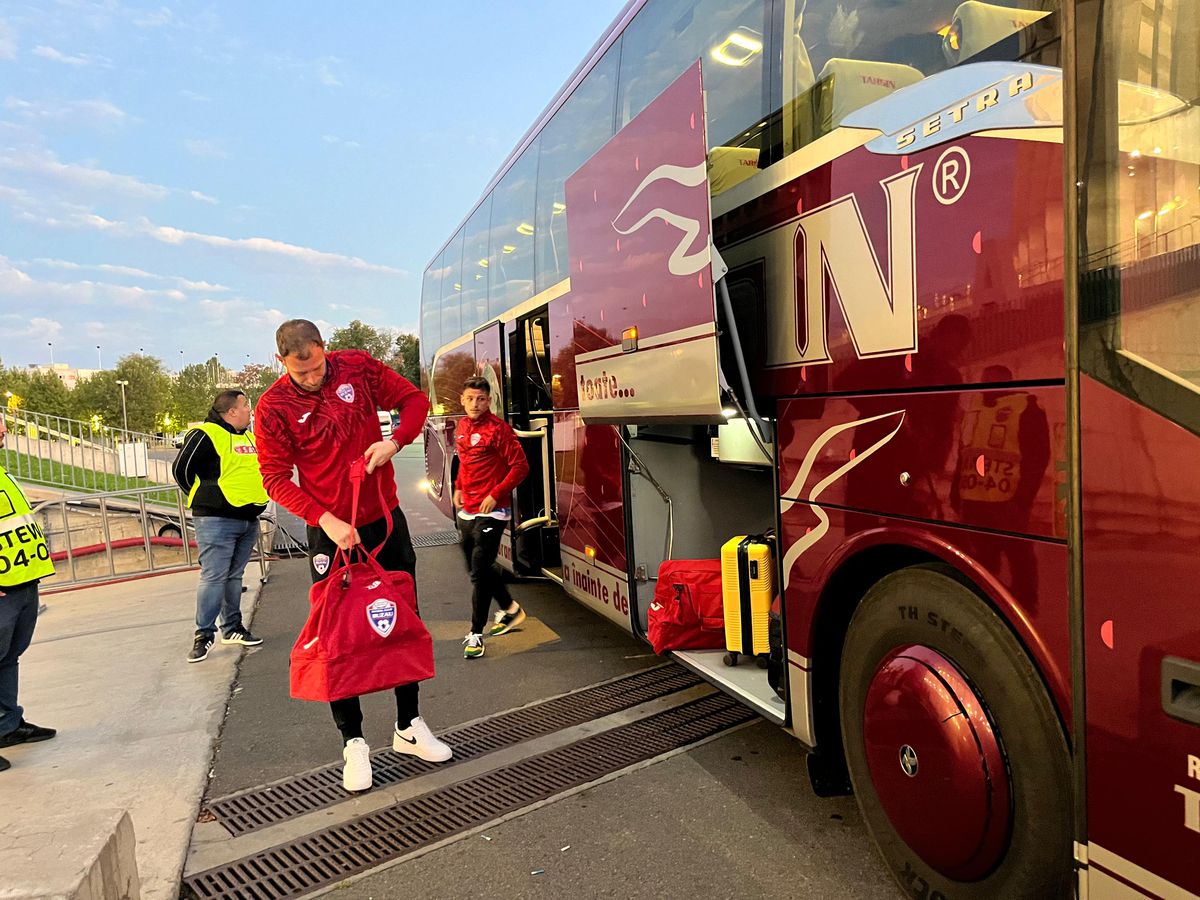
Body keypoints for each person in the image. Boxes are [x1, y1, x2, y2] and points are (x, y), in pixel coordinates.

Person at [254, 319, 451, 792]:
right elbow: (275, 478)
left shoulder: (357, 367)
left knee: (402, 619)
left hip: (384, 518)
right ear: (281, 362)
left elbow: (414, 401)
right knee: (337, 634)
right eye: (299, 372)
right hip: (330, 531)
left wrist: (394, 441)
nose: (311, 378)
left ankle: (408, 725)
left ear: (323, 348)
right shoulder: (273, 408)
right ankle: (353, 742)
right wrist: (324, 520)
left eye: (316, 367)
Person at [172, 390, 268, 662]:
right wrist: (208, 497)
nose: (250, 410)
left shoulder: (248, 437)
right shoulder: (206, 434)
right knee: (214, 576)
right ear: (231, 411)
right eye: (245, 405)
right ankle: (203, 634)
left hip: (247, 517)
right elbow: (181, 470)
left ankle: (232, 628)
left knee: (234, 576)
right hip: (216, 519)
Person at [453, 376, 529, 659]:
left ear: (489, 401)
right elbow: (464, 462)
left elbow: (520, 467)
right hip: (468, 508)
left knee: (479, 572)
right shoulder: (462, 426)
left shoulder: (499, 430)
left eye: (481, 399)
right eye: (470, 399)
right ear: (462, 400)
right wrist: (458, 487)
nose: (475, 404)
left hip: (493, 511)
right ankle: (510, 609)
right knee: (476, 568)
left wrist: (496, 494)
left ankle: (475, 633)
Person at [0, 415, 56, 772]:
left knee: (8, 657)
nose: (4, 430)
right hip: (4, 588)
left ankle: (7, 726)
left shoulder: (2, 473)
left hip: (21, 581)